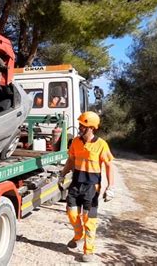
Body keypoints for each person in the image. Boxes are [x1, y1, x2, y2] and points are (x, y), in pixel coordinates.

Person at [58, 111, 115, 262]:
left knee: (89, 219)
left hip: (92, 187)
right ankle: (78, 236)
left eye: (84, 126)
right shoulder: (75, 142)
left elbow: (109, 166)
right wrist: (62, 174)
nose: (80, 128)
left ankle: (88, 250)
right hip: (76, 184)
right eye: (80, 125)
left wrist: (111, 187)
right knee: (71, 214)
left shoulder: (101, 145)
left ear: (92, 128)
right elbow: (71, 160)